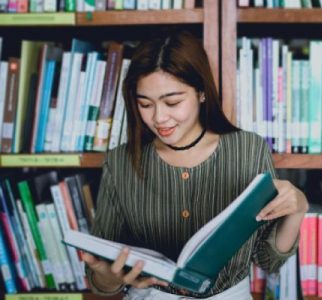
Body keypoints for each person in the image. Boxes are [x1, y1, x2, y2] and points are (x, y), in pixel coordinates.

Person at [82, 30, 309, 300]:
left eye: (173, 102)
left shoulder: (248, 149)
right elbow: (102, 277)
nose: (159, 118)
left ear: (201, 93)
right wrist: (107, 278)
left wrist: (298, 209)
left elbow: (268, 260)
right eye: (145, 104)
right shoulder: (120, 163)